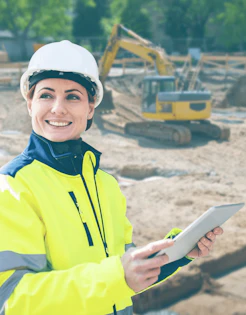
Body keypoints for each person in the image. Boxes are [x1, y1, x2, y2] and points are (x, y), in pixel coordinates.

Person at [0, 40, 223, 315]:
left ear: (91, 109)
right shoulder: (13, 188)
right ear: (29, 104)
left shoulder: (105, 185)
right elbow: (12, 301)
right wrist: (118, 276)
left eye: (73, 96)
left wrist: (177, 253)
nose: (58, 108)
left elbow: (124, 277)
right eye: (46, 95)